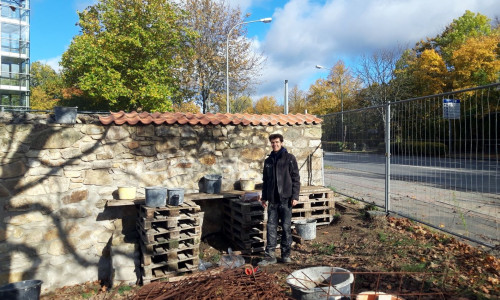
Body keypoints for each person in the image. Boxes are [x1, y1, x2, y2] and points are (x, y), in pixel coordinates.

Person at [258, 133, 300, 265]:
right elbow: (265, 181)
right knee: (271, 227)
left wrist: (295, 196)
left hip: (286, 200)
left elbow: (296, 178)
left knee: (286, 227)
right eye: (272, 142)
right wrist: (264, 197)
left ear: (281, 142)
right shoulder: (268, 161)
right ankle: (270, 256)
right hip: (272, 201)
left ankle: (286, 255)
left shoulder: (289, 158)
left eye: (277, 142)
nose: (274, 144)